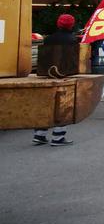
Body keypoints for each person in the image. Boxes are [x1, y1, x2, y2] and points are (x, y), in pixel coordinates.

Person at [32, 14, 77, 146]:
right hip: (64, 76)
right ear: (71, 24)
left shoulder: (49, 39)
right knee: (63, 106)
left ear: (58, 24)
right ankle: (58, 136)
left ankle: (39, 134)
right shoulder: (72, 40)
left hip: (47, 75)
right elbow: (73, 61)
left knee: (46, 104)